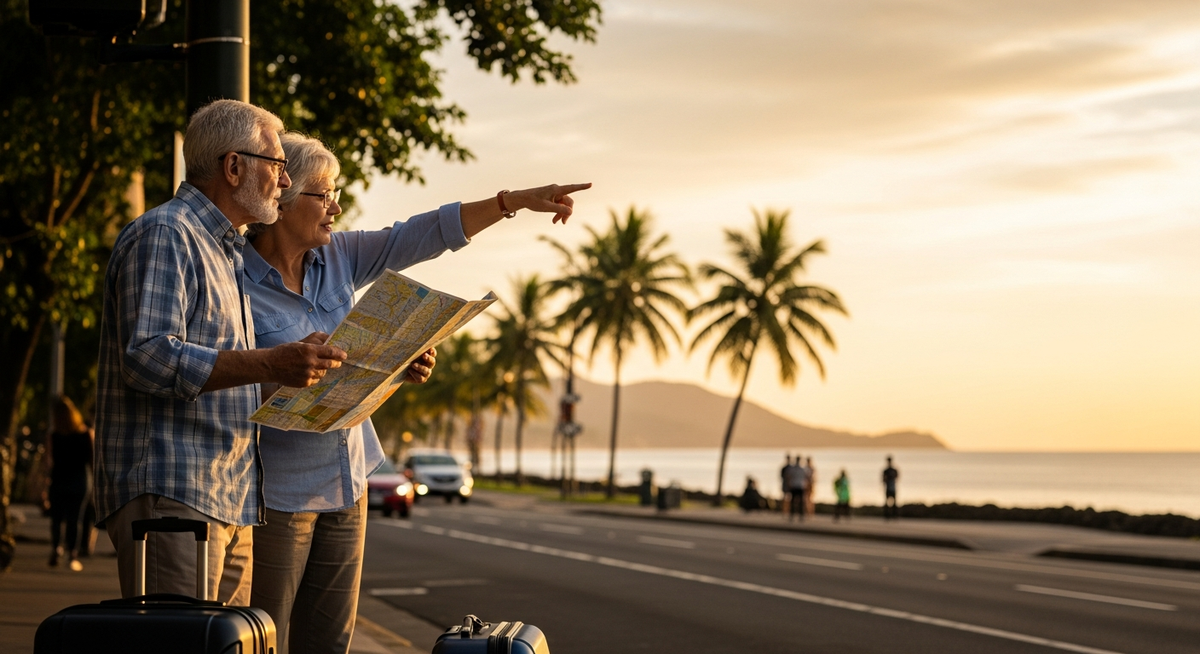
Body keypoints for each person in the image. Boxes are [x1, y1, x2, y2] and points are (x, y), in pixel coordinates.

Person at [243, 130, 591, 654]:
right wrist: (281, 370)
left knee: (328, 643)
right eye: (324, 194)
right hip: (279, 492)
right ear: (284, 196)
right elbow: (225, 376)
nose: (336, 206)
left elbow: (419, 234)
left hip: (348, 480)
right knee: (265, 640)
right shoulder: (233, 277)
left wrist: (511, 202)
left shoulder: (339, 256)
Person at [94, 100, 349, 605]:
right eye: (277, 166)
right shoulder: (168, 234)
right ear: (234, 168)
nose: (284, 181)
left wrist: (304, 365)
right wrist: (272, 361)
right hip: (175, 492)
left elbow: (229, 380)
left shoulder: (224, 252)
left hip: (228, 498)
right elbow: (147, 356)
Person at [43, 396, 93, 572]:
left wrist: (44, 483)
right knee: (75, 519)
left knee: (56, 518)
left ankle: (57, 548)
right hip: (79, 480)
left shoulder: (54, 435)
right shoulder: (85, 433)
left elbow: (48, 462)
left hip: (59, 479)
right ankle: (72, 554)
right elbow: (92, 460)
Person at [785, 455, 808, 521]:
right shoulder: (802, 469)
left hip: (796, 486)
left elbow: (788, 477)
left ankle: (794, 516)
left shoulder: (795, 469)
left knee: (796, 502)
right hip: (798, 486)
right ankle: (798, 516)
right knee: (799, 502)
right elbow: (806, 478)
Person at [882, 455, 900, 520]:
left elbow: (897, 477)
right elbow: (883, 479)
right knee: (888, 502)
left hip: (892, 487)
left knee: (893, 502)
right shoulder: (887, 470)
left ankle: (893, 515)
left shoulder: (892, 470)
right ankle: (888, 515)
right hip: (889, 488)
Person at [779, 454, 794, 519]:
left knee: (789, 498)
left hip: (790, 484)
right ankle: (784, 511)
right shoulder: (785, 468)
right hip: (786, 484)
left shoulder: (790, 468)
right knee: (785, 498)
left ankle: (788, 511)